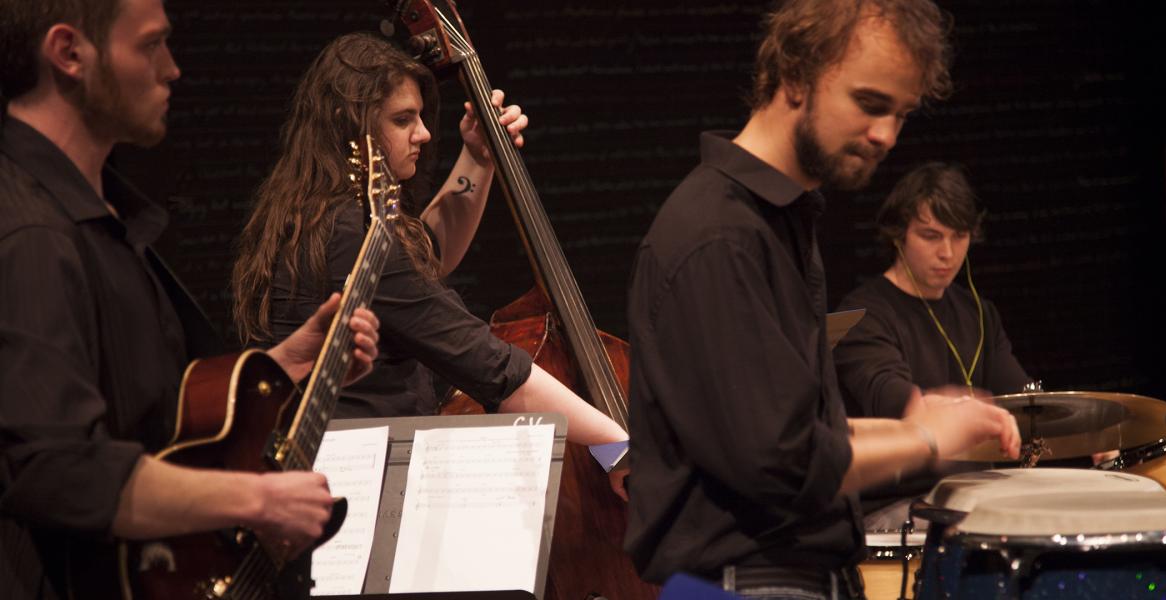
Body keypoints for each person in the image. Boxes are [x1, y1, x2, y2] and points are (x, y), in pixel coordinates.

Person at [624, 1, 1021, 598]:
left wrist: (925, 424)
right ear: (794, 77)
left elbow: (801, 435)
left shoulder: (775, 221)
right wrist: (926, 439)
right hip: (745, 583)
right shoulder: (719, 236)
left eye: (901, 114)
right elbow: (783, 467)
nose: (887, 135)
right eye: (869, 104)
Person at [0, 1, 381, 597]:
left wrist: (287, 363)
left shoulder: (98, 214)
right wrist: (256, 498)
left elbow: (149, 415)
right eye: (151, 45)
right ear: (69, 52)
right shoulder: (31, 235)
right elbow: (58, 468)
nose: (173, 68)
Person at [230, 33, 630, 495]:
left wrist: (479, 158)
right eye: (403, 120)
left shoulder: (316, 213)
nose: (422, 133)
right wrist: (618, 446)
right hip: (359, 490)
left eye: (420, 116)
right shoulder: (349, 234)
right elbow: (492, 367)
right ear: (348, 123)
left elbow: (426, 257)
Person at [833, 162, 1031, 527]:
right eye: (931, 236)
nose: (948, 253)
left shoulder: (979, 312)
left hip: (970, 495)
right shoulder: (860, 314)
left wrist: (1081, 425)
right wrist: (934, 410)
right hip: (894, 506)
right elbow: (887, 394)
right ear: (898, 234)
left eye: (959, 236)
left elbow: (1023, 399)